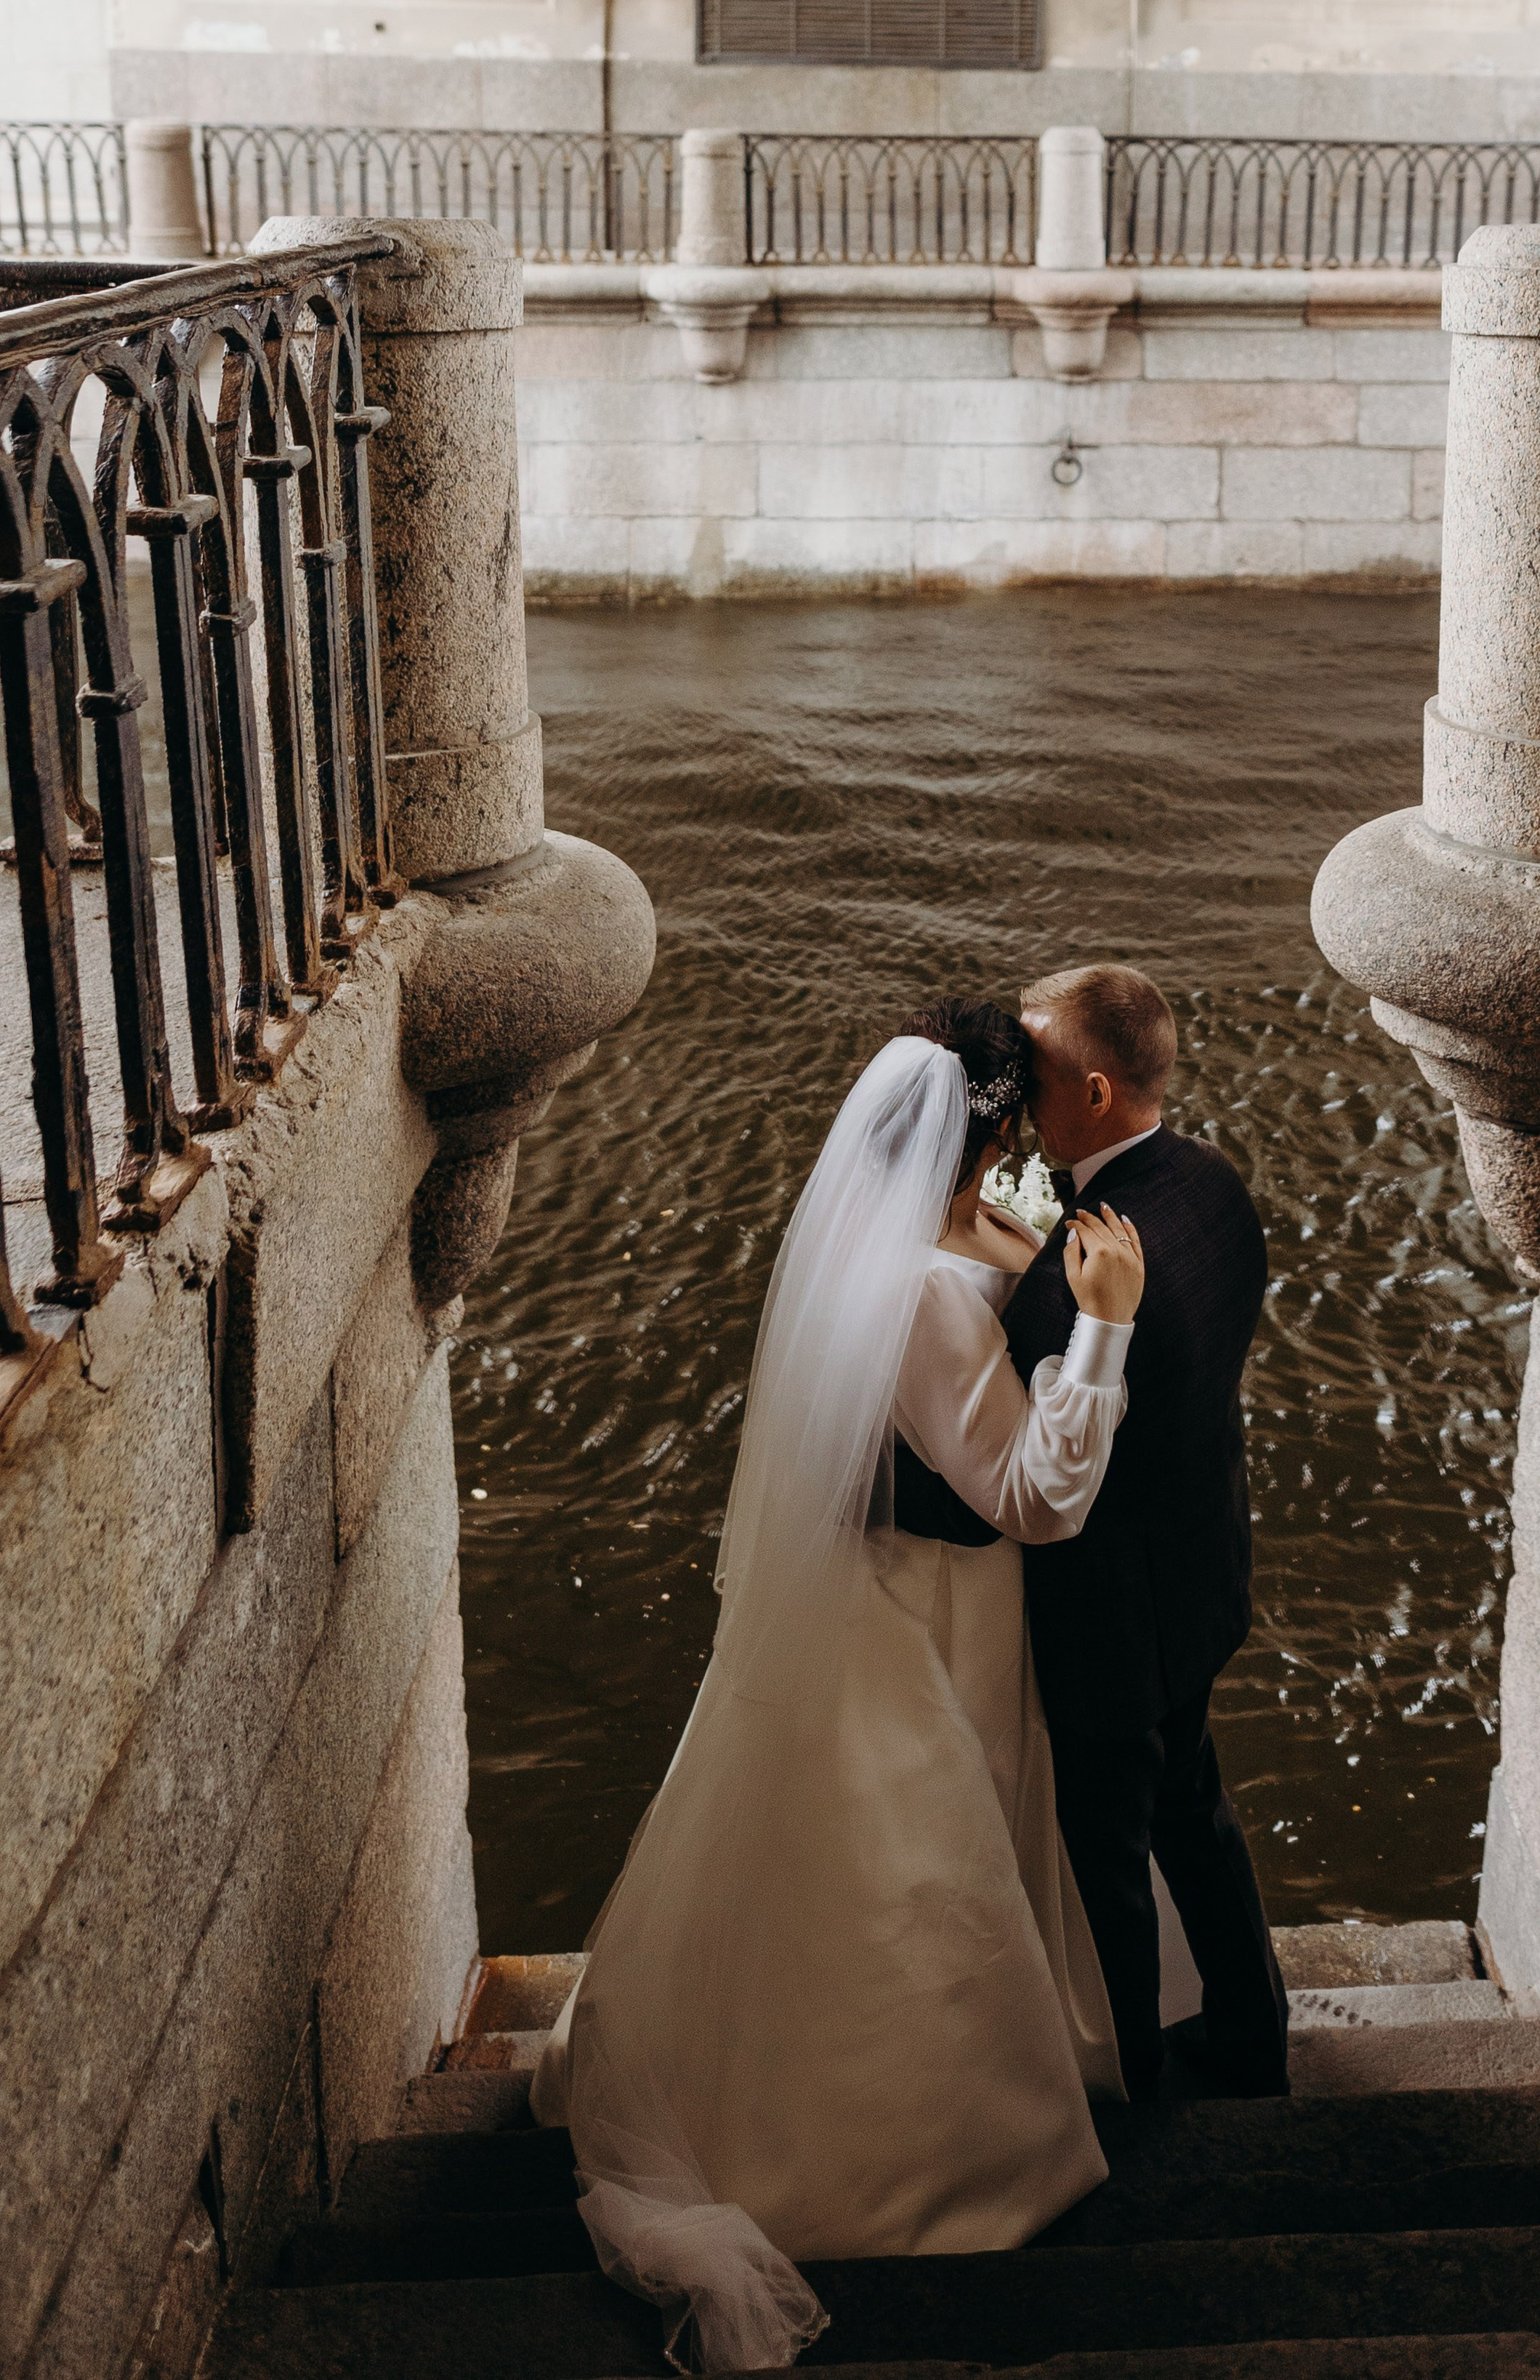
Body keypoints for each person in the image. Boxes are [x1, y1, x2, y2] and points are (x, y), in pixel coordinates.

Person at [531, 1000, 1145, 2374]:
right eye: (1017, 1119)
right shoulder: (920, 1292)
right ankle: (900, 2157)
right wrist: (1100, 1334)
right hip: (926, 1611)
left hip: (929, 1598)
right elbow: (1031, 1496)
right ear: (984, 1129)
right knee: (911, 1873)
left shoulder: (932, 1220)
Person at [1003, 961, 1288, 2104]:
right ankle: (1255, 2036)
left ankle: (1132, 2091)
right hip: (1202, 1573)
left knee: (1108, 1865)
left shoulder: (1082, 1276)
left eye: (1038, 1068)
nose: (1022, 1090)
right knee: (1198, 1814)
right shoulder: (1215, 1186)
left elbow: (1045, 1446)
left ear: (1100, 1092)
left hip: (1111, 1625)